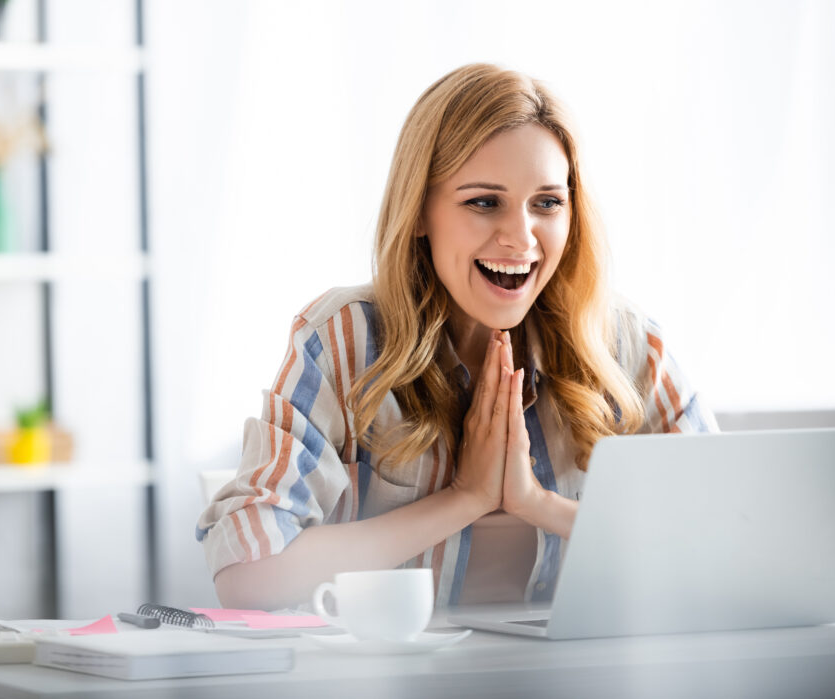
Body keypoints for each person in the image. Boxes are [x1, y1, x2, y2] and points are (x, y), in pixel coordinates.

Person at [196, 63, 718, 611]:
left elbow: (727, 540)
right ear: (420, 210)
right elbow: (247, 576)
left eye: (547, 202)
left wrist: (538, 503)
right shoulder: (344, 340)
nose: (521, 237)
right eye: (484, 202)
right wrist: (464, 498)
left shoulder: (626, 346)